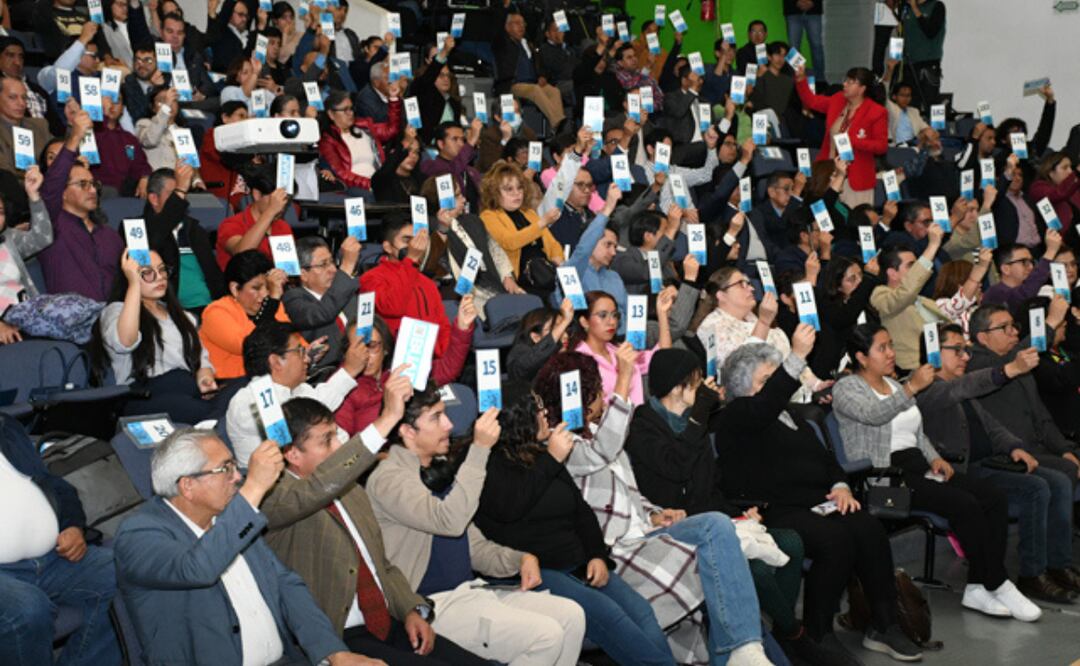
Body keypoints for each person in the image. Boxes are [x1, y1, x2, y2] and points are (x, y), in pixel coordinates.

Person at [529, 351, 775, 665]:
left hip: (646, 528)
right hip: (617, 549)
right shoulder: (560, 443)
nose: (603, 396)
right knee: (715, 565)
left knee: (716, 525)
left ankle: (743, 648)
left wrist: (653, 512)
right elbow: (601, 454)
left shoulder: (595, 432)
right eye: (596, 391)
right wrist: (623, 378)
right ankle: (732, 649)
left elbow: (628, 490)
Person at [716, 336, 921, 663]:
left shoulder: (795, 416)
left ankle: (884, 624)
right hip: (773, 508)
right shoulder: (737, 415)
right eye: (765, 381)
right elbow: (762, 407)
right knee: (834, 539)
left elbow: (825, 459)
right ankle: (818, 632)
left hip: (817, 502)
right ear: (744, 387)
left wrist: (840, 484)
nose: (775, 390)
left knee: (867, 527)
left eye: (776, 379)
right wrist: (796, 356)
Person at [259, 394, 493, 665]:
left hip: (387, 620)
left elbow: (381, 565)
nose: (338, 447)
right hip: (339, 635)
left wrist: (410, 609)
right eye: (327, 441)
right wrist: (388, 418)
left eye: (337, 436)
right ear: (292, 454)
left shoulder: (352, 492)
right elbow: (314, 490)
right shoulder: (274, 500)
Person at [364, 384, 588, 665]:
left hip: (471, 591)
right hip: (431, 604)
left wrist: (518, 559)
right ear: (408, 431)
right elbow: (450, 522)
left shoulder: (437, 469)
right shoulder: (388, 479)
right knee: (546, 635)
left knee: (571, 615)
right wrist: (479, 450)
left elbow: (474, 546)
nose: (449, 424)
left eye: (445, 414)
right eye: (435, 418)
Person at [832, 324, 1042, 622]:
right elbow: (874, 416)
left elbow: (916, 433)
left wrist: (934, 457)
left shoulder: (893, 385)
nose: (891, 353)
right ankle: (997, 582)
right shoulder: (847, 388)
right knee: (962, 503)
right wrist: (911, 388)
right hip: (881, 478)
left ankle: (977, 586)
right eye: (882, 348)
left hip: (917, 466)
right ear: (861, 357)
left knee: (992, 496)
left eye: (891, 345)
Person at [113, 428, 378, 665]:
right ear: (188, 486)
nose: (237, 476)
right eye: (224, 468)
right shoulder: (139, 534)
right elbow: (197, 569)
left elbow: (286, 586)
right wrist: (254, 486)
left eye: (234, 466)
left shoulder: (229, 519)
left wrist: (333, 652)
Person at [626, 349, 821, 665]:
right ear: (678, 387)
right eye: (696, 381)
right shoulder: (642, 426)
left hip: (713, 516)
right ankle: (790, 636)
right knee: (756, 567)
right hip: (671, 527)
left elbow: (710, 484)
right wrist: (699, 416)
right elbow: (676, 468)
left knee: (791, 543)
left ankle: (780, 635)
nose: (704, 388)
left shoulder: (694, 422)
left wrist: (739, 513)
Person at [475, 378, 676, 666]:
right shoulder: (490, 461)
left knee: (641, 610)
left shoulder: (540, 454)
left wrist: (597, 554)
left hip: (577, 560)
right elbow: (511, 506)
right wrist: (553, 458)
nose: (545, 414)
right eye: (538, 408)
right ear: (519, 417)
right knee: (610, 616)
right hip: (534, 568)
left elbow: (580, 510)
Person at [917, 323, 1080, 602]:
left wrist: (1015, 446)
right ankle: (1032, 574)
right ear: (933, 352)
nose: (965, 356)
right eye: (957, 350)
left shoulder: (960, 389)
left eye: (966, 350)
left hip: (989, 462)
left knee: (1060, 481)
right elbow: (961, 389)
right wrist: (1008, 370)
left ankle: (1058, 564)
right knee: (1037, 487)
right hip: (963, 471)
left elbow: (991, 427)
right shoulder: (928, 389)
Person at [0, 414, 121, 666]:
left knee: (124, 571)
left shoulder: (6, 429)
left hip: (53, 557)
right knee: (28, 610)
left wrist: (73, 526)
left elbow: (56, 485)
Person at [90, 249, 229, 423]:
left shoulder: (183, 316)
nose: (160, 276)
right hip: (144, 396)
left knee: (242, 389)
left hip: (188, 389)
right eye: (147, 273)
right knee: (209, 412)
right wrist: (134, 285)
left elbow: (201, 358)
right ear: (129, 276)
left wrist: (205, 377)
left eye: (162, 269)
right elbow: (124, 342)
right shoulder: (117, 311)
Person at [966, 303, 1080, 487]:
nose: (1013, 332)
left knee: (1072, 456)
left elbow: (1042, 417)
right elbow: (1005, 366)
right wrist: (1050, 322)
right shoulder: (976, 364)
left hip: (1041, 448)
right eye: (1004, 328)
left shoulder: (1019, 365)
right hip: (1010, 452)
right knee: (1066, 471)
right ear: (983, 337)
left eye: (1014, 326)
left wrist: (1064, 450)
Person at [226, 321, 366, 465]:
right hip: (276, 482)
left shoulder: (298, 388)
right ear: (276, 362)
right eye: (299, 351)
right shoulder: (247, 401)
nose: (306, 359)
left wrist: (350, 370)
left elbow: (322, 401)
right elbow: (300, 433)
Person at [334, 300, 473, 436]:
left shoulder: (398, 370)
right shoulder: (340, 388)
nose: (364, 355)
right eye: (356, 348)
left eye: (372, 346)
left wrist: (462, 328)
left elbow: (446, 369)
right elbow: (341, 451)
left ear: (385, 349)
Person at [692, 267, 826, 402]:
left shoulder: (753, 318)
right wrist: (764, 322)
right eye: (741, 284)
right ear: (721, 295)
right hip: (756, 403)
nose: (751, 289)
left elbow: (789, 356)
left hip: (792, 393)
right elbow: (740, 372)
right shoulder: (712, 326)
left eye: (749, 284)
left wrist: (817, 385)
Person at [38, 106, 124, 301]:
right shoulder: (51, 226)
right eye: (83, 185)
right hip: (73, 322)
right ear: (63, 193)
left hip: (114, 318)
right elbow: (50, 188)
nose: (92, 190)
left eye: (93, 184)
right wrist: (75, 138)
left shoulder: (109, 235)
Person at [358, 213, 457, 358]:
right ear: (388, 247)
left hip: (432, 360)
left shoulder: (427, 283)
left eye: (415, 239)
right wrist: (410, 260)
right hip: (396, 359)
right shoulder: (371, 278)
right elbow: (394, 307)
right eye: (406, 240)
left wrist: (442, 356)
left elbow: (443, 325)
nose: (413, 245)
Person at [795, 66, 887, 207]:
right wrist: (801, 79)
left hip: (856, 178)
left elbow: (881, 146)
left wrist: (854, 141)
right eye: (846, 80)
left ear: (862, 89)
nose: (845, 84)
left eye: (851, 82)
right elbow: (812, 102)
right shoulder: (838, 99)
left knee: (854, 223)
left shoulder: (877, 111)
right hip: (828, 172)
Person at [570, 289, 674, 406]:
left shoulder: (618, 350)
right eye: (603, 315)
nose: (612, 321)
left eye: (615, 315)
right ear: (584, 322)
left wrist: (662, 314)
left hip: (636, 420)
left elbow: (662, 356)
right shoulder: (577, 360)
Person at [143, 164, 224, 310]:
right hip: (169, 311)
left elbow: (215, 278)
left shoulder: (194, 229)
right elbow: (154, 239)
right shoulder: (137, 229)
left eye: (183, 193)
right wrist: (180, 190)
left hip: (210, 309)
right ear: (154, 198)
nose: (181, 199)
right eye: (174, 194)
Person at [199, 250, 290, 380]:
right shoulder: (215, 312)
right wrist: (271, 302)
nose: (265, 294)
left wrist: (307, 351)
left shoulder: (275, 306)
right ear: (235, 288)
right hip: (231, 384)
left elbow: (291, 339)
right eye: (256, 288)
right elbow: (250, 346)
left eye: (268, 287)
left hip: (272, 378)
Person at [870, 228, 950, 371]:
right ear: (892, 274)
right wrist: (932, 246)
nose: (916, 270)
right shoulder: (880, 296)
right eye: (911, 266)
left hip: (943, 364)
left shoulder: (924, 301)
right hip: (915, 370)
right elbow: (904, 294)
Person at [479, 160, 563, 291]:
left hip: (546, 275)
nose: (516, 193)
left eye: (519, 187)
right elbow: (510, 242)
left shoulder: (528, 212)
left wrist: (560, 260)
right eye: (509, 189)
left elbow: (552, 244)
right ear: (494, 192)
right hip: (520, 283)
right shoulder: (489, 216)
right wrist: (542, 223)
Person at [282, 235, 361, 371]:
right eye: (323, 264)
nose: (333, 270)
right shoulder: (293, 299)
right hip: (324, 376)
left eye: (332, 262)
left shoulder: (346, 293)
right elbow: (321, 313)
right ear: (303, 274)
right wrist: (347, 266)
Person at [318, 87, 404, 196]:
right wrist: (371, 184)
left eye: (351, 108)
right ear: (331, 114)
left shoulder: (364, 128)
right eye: (345, 110)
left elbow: (391, 130)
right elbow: (341, 173)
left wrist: (394, 100)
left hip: (378, 184)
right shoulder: (328, 140)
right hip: (353, 189)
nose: (350, 113)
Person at [492, 5, 565, 130]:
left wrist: (542, 76)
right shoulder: (504, 43)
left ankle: (556, 126)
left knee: (554, 91)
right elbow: (498, 27)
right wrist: (505, 6)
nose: (522, 26)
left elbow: (538, 64)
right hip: (512, 84)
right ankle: (558, 123)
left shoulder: (528, 44)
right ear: (507, 27)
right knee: (535, 90)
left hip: (532, 83)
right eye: (517, 23)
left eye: (523, 23)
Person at [0, 166, 49, 345]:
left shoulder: (9, 238)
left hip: (28, 317)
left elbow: (42, 238)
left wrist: (34, 197)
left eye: (0, 212)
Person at [213, 164, 293, 270]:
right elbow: (242, 255)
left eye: (284, 200)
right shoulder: (231, 225)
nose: (281, 207)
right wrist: (270, 212)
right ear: (257, 194)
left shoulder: (282, 227)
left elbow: (288, 269)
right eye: (275, 200)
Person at [983, 230, 1062, 311]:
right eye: (1024, 262)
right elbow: (1024, 295)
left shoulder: (1035, 289)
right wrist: (1050, 252)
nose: (1031, 267)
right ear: (1006, 269)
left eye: (1031, 262)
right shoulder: (995, 293)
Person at [419, 120, 484, 213]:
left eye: (462, 139)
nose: (461, 144)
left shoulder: (471, 171)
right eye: (455, 139)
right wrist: (471, 141)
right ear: (441, 144)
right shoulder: (431, 166)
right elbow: (451, 172)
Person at [506, 301, 574, 382]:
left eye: (565, 328)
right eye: (557, 329)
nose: (565, 335)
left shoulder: (570, 354)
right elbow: (530, 363)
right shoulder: (520, 353)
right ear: (536, 337)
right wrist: (565, 321)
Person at [0, 76, 52, 181]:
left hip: (47, 188)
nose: (21, 103)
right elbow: (6, 177)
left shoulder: (40, 126)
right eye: (12, 97)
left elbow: (57, 156)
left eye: (24, 98)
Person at [898, 0, 946, 110]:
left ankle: (937, 128)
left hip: (928, 64)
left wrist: (915, 8)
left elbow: (931, 32)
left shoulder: (937, 6)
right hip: (908, 64)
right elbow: (900, 34)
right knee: (910, 106)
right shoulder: (905, 8)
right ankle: (913, 127)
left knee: (933, 106)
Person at [1028, 152, 1080, 234]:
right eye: (1065, 168)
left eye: (1070, 167)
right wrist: (1077, 173)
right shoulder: (1038, 188)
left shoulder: (1073, 189)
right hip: (1058, 240)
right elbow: (1057, 194)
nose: (1070, 171)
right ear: (1050, 172)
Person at [784, 0, 824, 82]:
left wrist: (813, 2)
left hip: (814, 10)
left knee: (817, 45)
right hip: (792, 9)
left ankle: (820, 80)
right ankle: (798, 79)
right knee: (793, 47)